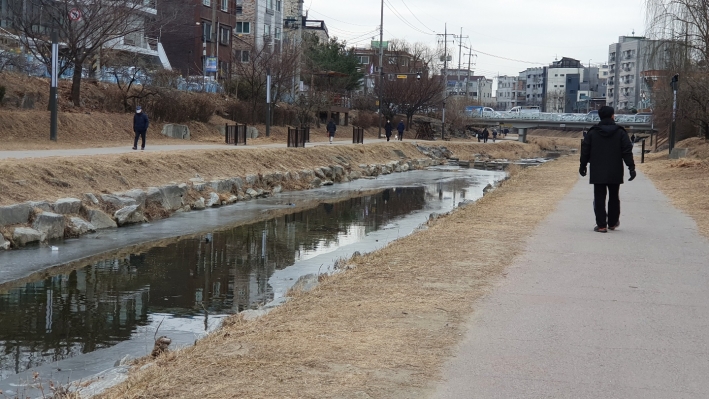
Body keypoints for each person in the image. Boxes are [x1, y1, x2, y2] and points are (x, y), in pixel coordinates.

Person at [579, 106, 636, 233]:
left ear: (599, 116)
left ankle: (601, 225)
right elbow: (627, 151)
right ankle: (612, 222)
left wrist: (583, 166)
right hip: (615, 169)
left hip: (597, 169)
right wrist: (631, 167)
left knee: (599, 196)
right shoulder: (620, 132)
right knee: (614, 196)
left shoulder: (593, 132)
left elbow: (585, 151)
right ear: (612, 116)